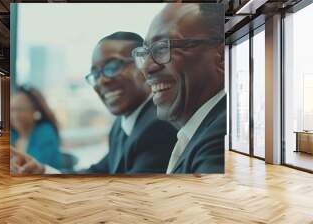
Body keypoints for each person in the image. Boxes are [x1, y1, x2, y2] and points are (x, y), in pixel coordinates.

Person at [16, 31, 177, 174]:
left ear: (144, 64)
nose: (101, 81)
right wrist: (44, 172)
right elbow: (99, 171)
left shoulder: (158, 126)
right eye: (95, 74)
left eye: (113, 66)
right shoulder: (121, 124)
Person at [132, 3, 226, 174]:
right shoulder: (200, 131)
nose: (146, 68)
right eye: (145, 52)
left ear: (222, 57)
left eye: (161, 48)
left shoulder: (220, 140)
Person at [10, 86, 62, 172]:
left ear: (35, 110)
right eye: (12, 109)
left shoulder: (45, 132)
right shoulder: (13, 135)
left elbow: (35, 168)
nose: (15, 115)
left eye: (21, 109)